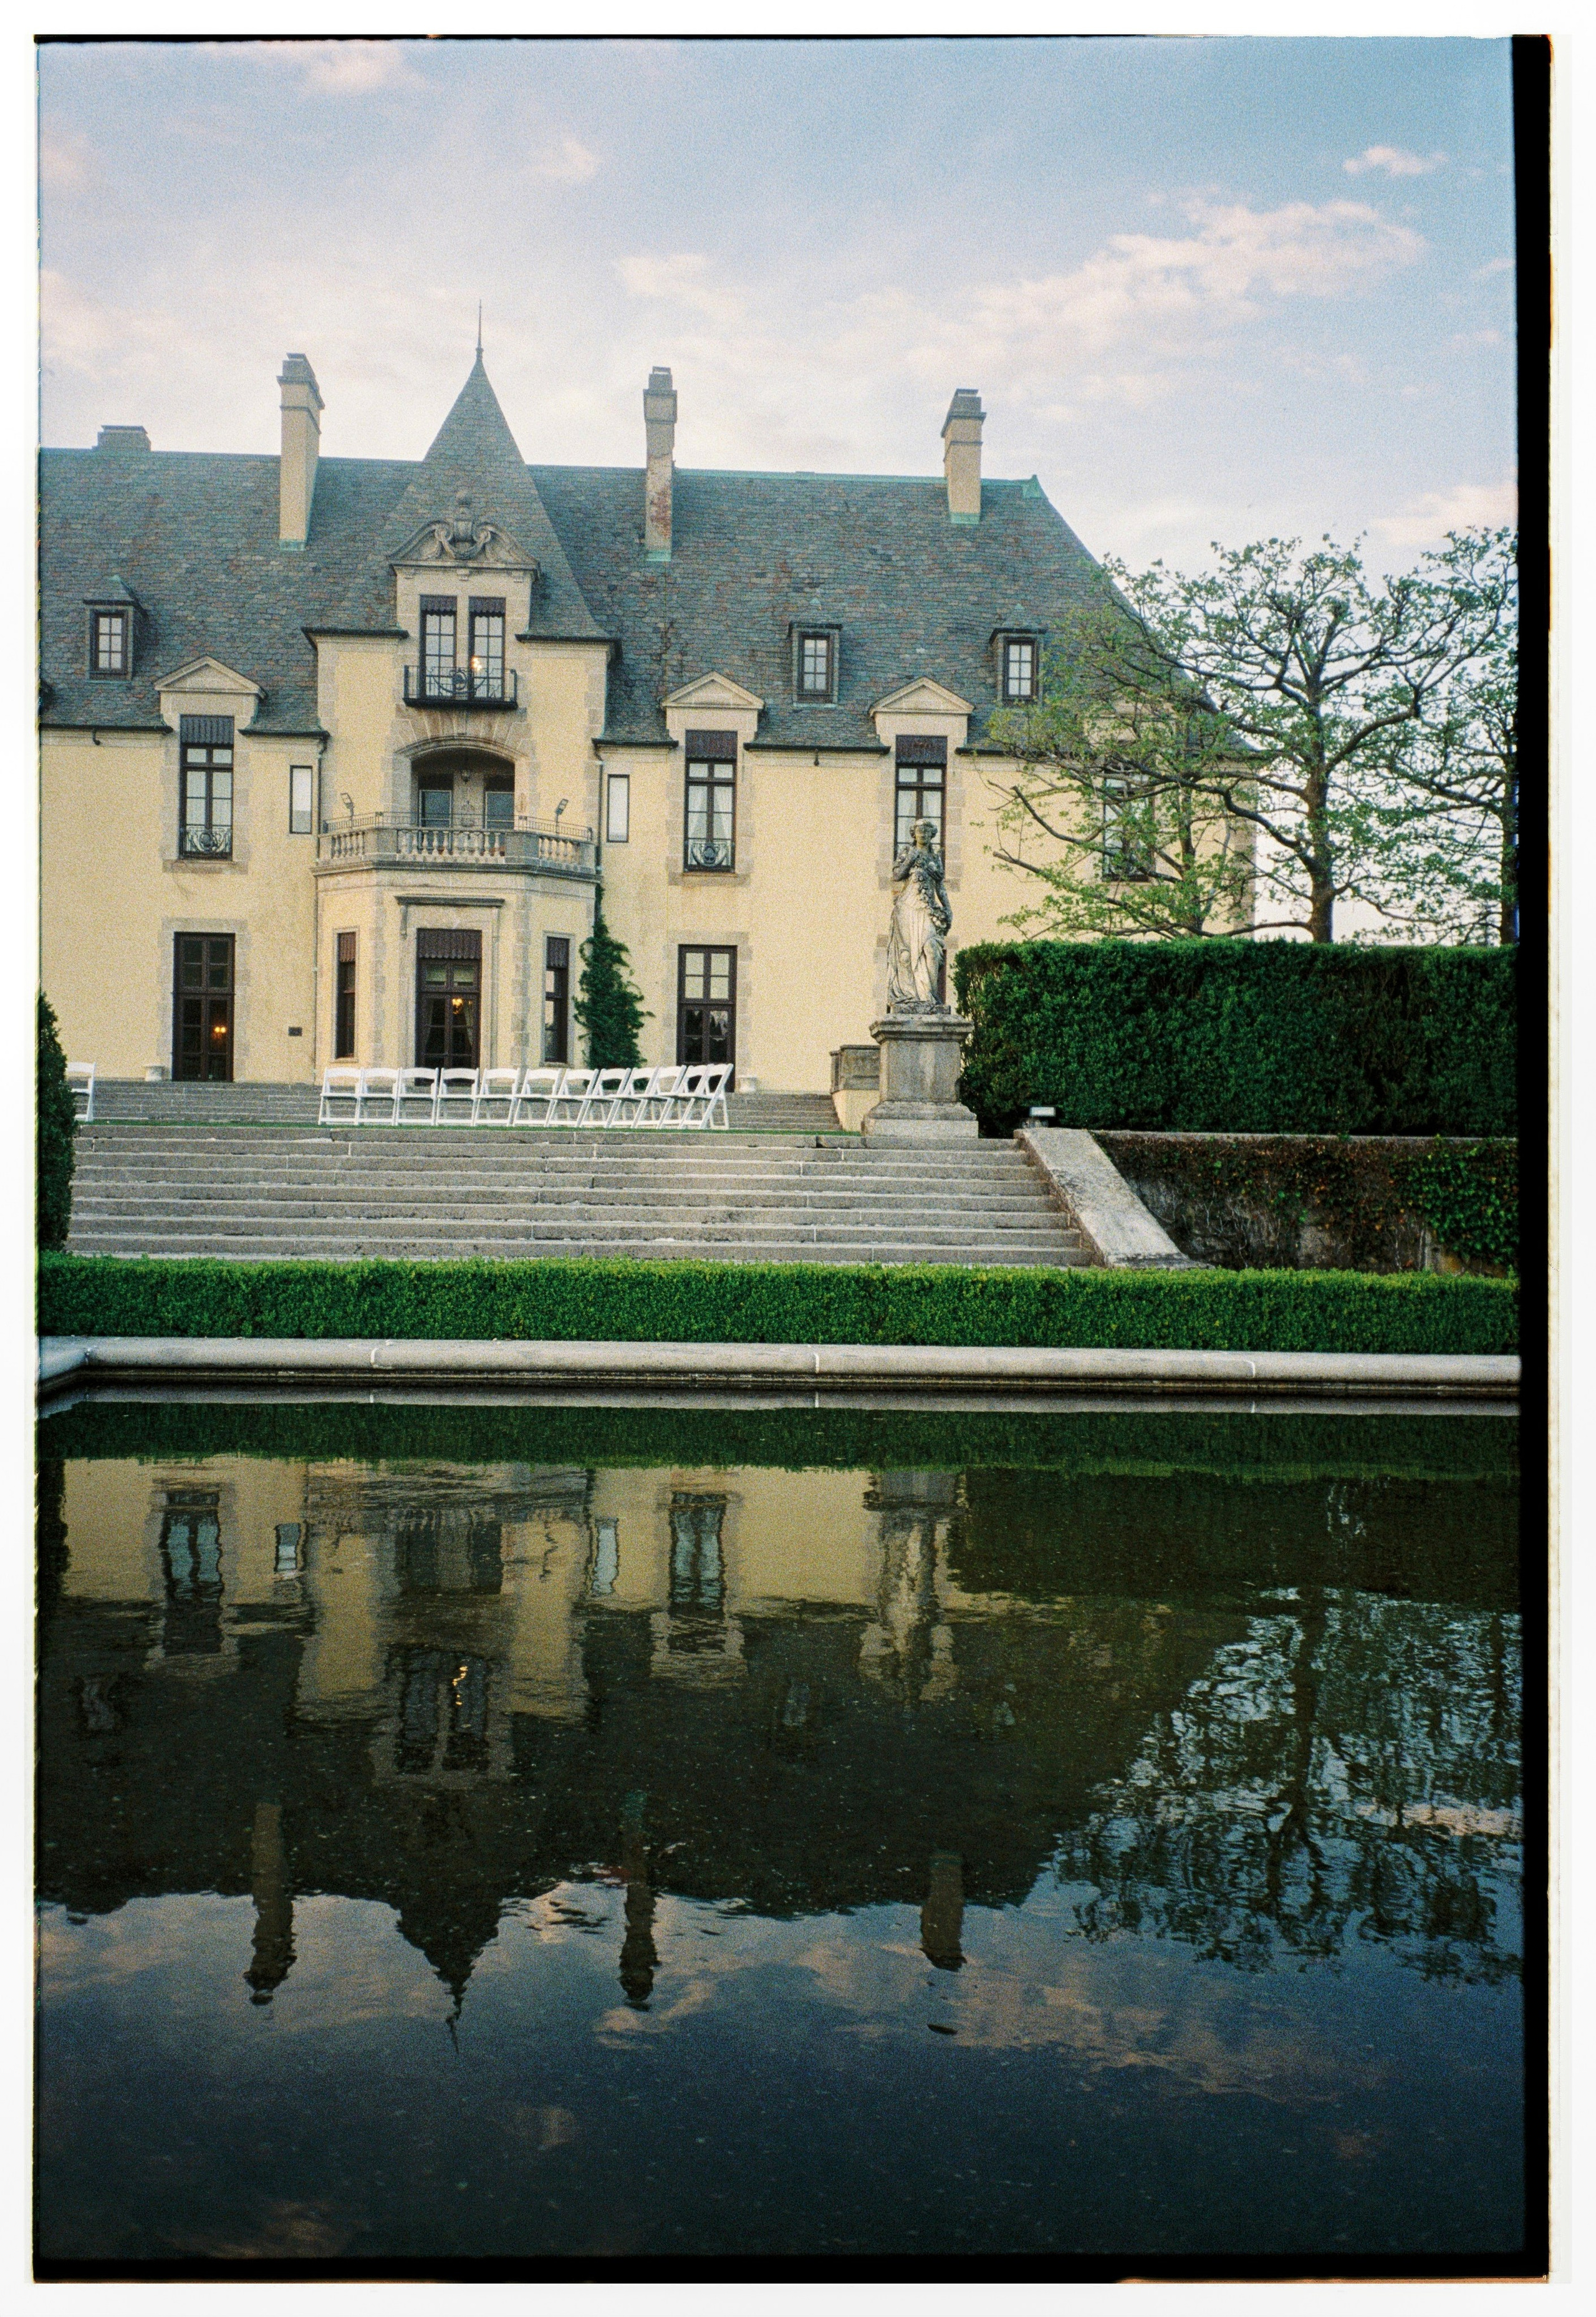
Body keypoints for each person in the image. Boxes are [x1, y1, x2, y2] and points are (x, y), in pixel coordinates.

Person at [885, 818, 951, 1010]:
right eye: (919, 831)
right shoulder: (908, 852)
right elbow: (897, 875)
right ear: (914, 835)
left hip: (927, 909)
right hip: (906, 908)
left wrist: (948, 908)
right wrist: (911, 859)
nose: (923, 834)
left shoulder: (935, 858)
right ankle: (910, 996)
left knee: (931, 948)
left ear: (932, 834)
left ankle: (929, 997)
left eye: (926, 831)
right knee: (906, 955)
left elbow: (940, 887)